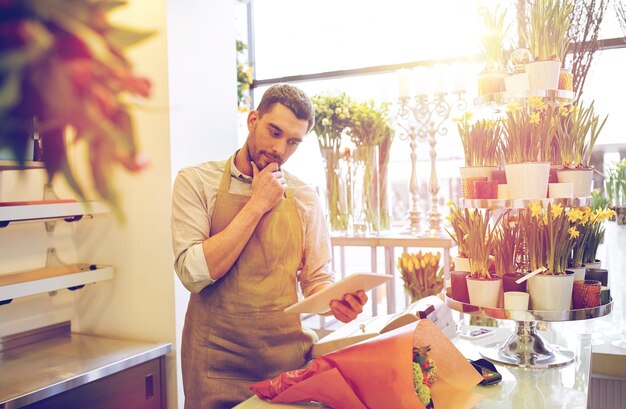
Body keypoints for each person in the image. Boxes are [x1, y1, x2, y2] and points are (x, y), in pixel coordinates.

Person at [171, 84, 369, 409]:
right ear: (252, 121)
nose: (279, 149)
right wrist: (257, 204)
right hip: (213, 366)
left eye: (293, 141)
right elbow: (193, 274)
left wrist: (335, 303)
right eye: (274, 132)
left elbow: (317, 280)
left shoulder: (304, 196)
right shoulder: (196, 182)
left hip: (286, 365)